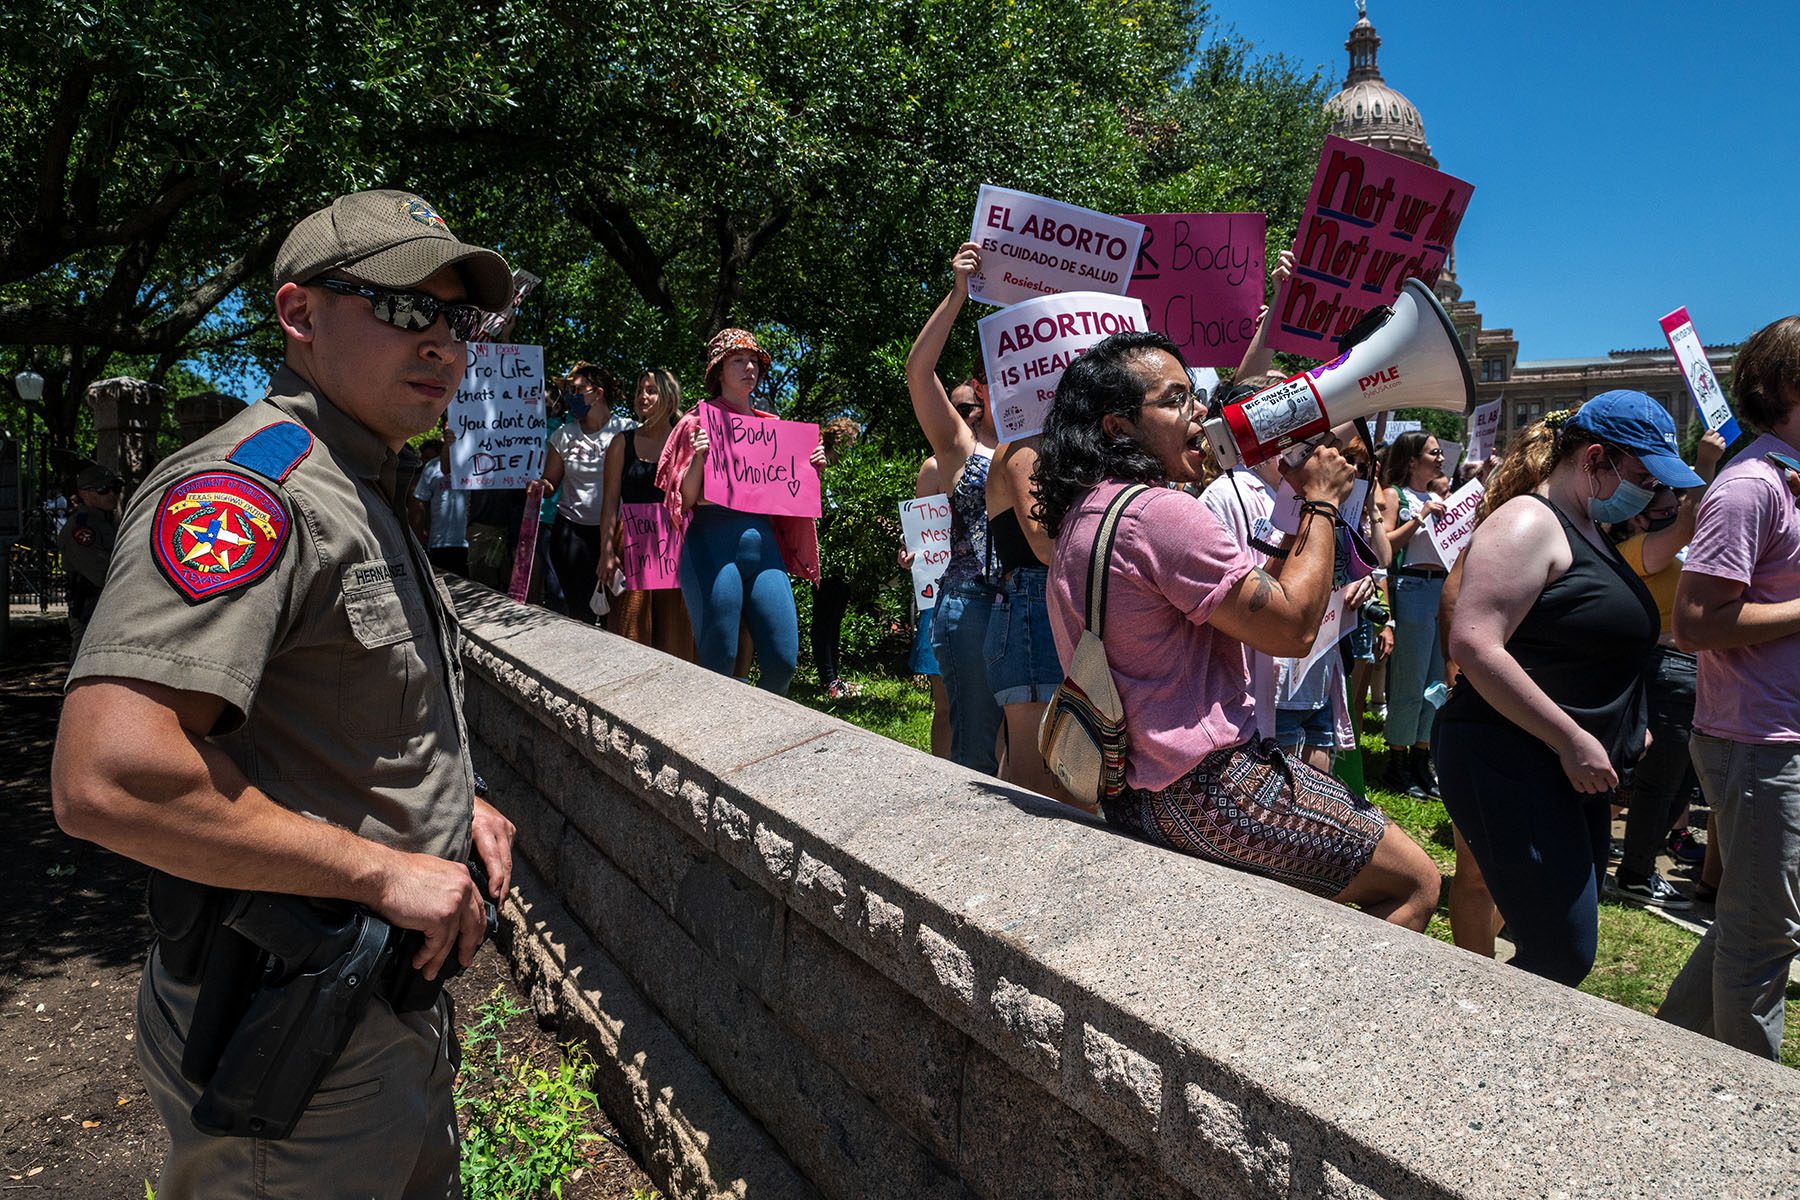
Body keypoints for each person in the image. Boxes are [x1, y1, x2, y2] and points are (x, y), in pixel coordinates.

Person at [50, 189, 518, 1198]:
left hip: (372, 1008)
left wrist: (448, 801)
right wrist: (385, 874)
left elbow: (335, 701)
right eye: (403, 308)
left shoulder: (355, 480)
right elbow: (110, 777)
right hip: (292, 1026)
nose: (441, 342)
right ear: (299, 316)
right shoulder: (249, 491)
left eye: (458, 318)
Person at [1034, 329, 1439, 928]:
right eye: (1176, 400)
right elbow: (1293, 629)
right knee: (1417, 882)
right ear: (1117, 426)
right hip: (1215, 789)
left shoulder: (1087, 515)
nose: (1202, 411)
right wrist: (1322, 502)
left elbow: (1252, 607)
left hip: (1134, 793)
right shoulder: (1161, 514)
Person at [1436, 392, 1700, 987]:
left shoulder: (1594, 528)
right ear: (1596, 459)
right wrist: (1573, 738)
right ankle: (1453, 1054)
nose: (1654, 495)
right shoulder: (1529, 522)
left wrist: (1627, 724)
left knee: (1557, 948)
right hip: (1509, 760)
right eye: (1643, 476)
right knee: (1561, 951)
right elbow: (1475, 644)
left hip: (1563, 770)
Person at [1660, 317, 1800, 1059]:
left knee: (1751, 922)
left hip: (1777, 737)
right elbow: (1695, 622)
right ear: (1784, 388)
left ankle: (1664, 1058)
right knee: (1763, 935)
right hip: (1756, 741)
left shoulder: (1788, 482)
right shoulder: (1749, 487)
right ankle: (1752, 1120)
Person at [656, 328, 824, 694]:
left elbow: (792, 493)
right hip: (711, 544)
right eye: (738, 360)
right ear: (719, 371)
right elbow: (685, 498)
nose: (749, 367)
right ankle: (713, 739)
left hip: (763, 548)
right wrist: (699, 456)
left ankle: (755, 730)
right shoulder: (696, 423)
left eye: (754, 362)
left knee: (783, 660)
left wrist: (812, 467)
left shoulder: (774, 429)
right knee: (719, 659)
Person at [1608, 429, 1726, 909]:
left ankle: (1633, 863)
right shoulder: (1640, 549)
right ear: (1641, 516)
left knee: (1682, 783)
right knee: (1663, 781)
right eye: (1666, 509)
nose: (1675, 514)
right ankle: (1634, 872)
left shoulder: (1663, 547)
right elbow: (1697, 518)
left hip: (1689, 670)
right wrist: (1705, 462)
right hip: (1663, 669)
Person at [906, 243, 1003, 773]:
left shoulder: (1050, 445)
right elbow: (919, 372)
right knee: (975, 752)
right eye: (998, 372)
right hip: (972, 606)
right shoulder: (960, 447)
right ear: (983, 386)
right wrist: (958, 294)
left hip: (1034, 604)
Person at [597, 368, 695, 658]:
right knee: (630, 632)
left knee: (676, 634)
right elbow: (609, 502)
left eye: (651, 390)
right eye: (640, 390)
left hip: (675, 547)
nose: (643, 396)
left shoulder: (686, 443)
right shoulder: (621, 442)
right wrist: (606, 552)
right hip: (631, 544)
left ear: (669, 396)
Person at [532, 362, 635, 623]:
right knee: (580, 612)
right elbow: (551, 481)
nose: (570, 397)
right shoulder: (563, 435)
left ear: (597, 393)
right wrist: (540, 487)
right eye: (568, 392)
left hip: (618, 535)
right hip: (571, 535)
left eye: (576, 391)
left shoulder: (628, 430)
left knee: (621, 611)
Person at [1377, 430, 1450, 797]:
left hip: (1441, 589)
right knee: (1410, 677)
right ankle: (1398, 759)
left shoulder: (1440, 496)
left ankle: (1423, 755)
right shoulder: (1396, 496)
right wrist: (1420, 516)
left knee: (1436, 678)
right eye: (1433, 452)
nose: (1440, 458)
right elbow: (1385, 545)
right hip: (1412, 588)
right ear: (1411, 460)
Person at [813, 417, 862, 698]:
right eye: (851, 441)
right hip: (823, 556)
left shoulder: (845, 476)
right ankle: (827, 681)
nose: (853, 447)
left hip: (843, 556)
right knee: (823, 618)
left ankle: (835, 679)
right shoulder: (821, 471)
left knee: (836, 619)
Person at [57, 463, 121, 655]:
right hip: (90, 609)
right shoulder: (82, 527)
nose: (111, 494)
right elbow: (101, 572)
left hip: (108, 608)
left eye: (115, 488)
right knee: (87, 664)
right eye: (103, 489)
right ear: (84, 493)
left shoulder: (107, 521)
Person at [409, 431, 469, 575]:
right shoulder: (432, 467)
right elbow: (419, 504)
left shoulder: (477, 464)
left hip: (470, 541)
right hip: (440, 542)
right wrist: (417, 540)